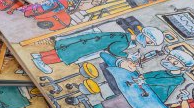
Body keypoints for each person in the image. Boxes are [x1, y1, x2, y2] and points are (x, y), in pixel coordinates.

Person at [31, 26, 164, 75]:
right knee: (67, 54)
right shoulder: (125, 42)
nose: (148, 44)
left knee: (66, 48)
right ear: (145, 36)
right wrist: (127, 56)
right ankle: (43, 61)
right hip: (91, 46)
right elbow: (113, 49)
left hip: (91, 41)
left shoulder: (124, 36)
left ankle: (39, 56)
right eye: (149, 42)